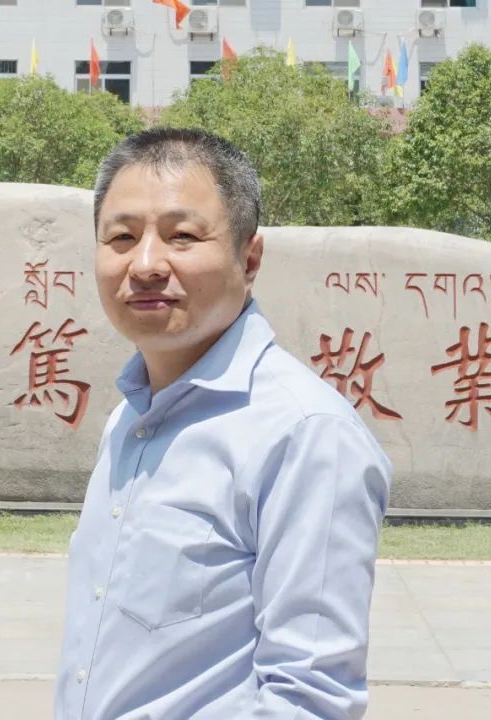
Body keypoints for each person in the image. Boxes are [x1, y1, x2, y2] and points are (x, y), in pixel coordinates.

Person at [55, 128, 392, 719]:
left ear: (249, 258)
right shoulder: (129, 418)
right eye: (122, 237)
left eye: (182, 236)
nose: (145, 264)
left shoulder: (304, 434)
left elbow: (310, 697)